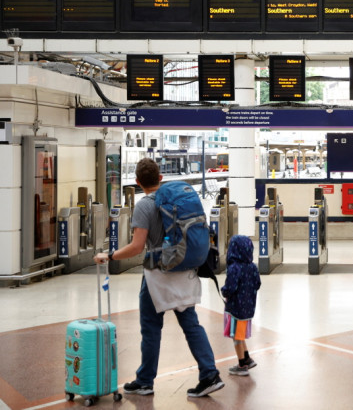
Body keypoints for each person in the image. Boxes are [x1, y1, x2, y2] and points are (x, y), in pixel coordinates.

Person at [94, 158, 224, 398]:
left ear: (137, 182)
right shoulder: (176, 201)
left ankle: (145, 381)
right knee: (191, 325)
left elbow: (136, 247)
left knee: (151, 328)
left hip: (158, 276)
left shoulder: (144, 205)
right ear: (161, 178)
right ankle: (210, 374)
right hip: (184, 269)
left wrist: (110, 256)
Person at [221, 235, 261, 376]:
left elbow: (230, 288)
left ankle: (242, 364)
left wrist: (223, 290)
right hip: (248, 308)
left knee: (236, 337)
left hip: (236, 308)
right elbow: (257, 284)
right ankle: (247, 358)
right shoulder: (253, 267)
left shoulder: (234, 268)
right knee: (240, 334)